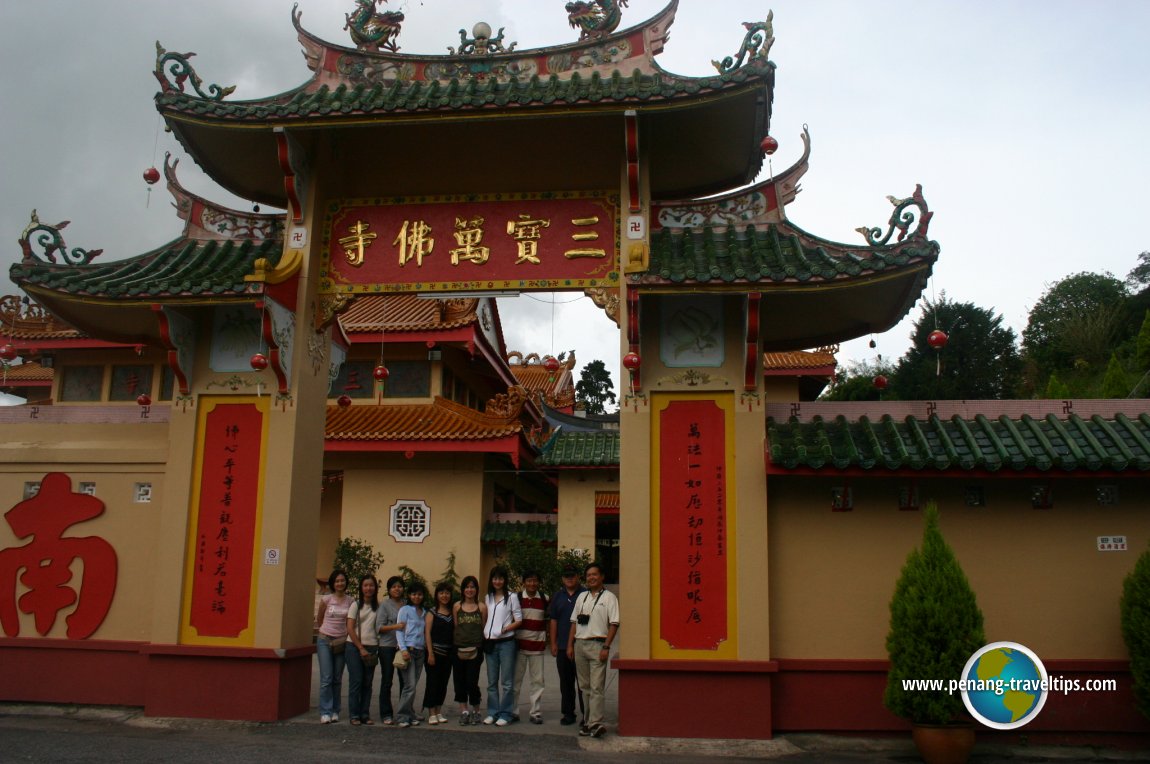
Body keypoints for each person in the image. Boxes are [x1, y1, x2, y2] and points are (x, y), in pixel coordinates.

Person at [567, 562, 619, 738]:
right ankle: (588, 722)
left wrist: (606, 646)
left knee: (597, 687)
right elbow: (573, 623)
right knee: (585, 687)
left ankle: (596, 723)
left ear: (602, 576)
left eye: (594, 574)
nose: (591, 578)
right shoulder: (581, 597)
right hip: (580, 645)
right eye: (588, 575)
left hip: (598, 645)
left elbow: (614, 624)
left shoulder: (609, 598)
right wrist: (570, 645)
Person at [482, 565, 522, 726]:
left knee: (506, 682)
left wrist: (505, 629)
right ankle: (493, 712)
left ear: (505, 580)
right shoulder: (488, 597)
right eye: (495, 578)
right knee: (491, 682)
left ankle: (505, 713)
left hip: (506, 643)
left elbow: (519, 620)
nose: (497, 581)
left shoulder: (511, 597)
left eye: (500, 578)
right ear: (491, 580)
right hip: (490, 643)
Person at [549, 564, 586, 726]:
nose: (569, 578)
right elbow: (553, 620)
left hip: (582, 644)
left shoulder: (585, 594)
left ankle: (587, 714)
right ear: (562, 578)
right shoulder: (558, 596)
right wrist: (553, 643)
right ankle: (568, 713)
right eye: (566, 576)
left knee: (584, 684)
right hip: (563, 646)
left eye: (572, 575)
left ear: (578, 577)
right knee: (566, 683)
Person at [314, 569, 352, 724]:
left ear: (346, 583)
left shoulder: (351, 601)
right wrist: (327, 632)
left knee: (337, 678)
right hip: (325, 640)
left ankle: (335, 710)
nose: (340, 583)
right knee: (326, 678)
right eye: (337, 581)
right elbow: (320, 618)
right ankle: (325, 711)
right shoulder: (326, 600)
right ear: (332, 583)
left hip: (342, 641)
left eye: (342, 580)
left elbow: (351, 621)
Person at [512, 570, 548, 724]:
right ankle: (513, 711)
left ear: (538, 582)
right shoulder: (517, 598)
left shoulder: (545, 599)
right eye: (529, 581)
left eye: (535, 580)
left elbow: (549, 620)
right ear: (524, 582)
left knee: (538, 682)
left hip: (537, 648)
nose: (532, 584)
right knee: (515, 681)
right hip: (519, 647)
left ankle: (535, 712)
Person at [346, 574, 380, 726]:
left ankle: (365, 714)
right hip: (354, 646)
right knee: (356, 681)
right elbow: (350, 628)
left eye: (371, 585)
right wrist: (360, 647)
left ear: (375, 588)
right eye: (365, 585)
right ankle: (354, 714)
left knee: (367, 682)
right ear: (361, 587)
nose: (368, 588)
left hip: (372, 647)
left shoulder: (379, 607)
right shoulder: (355, 605)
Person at [452, 575, 486, 725]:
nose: (469, 590)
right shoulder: (457, 606)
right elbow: (455, 626)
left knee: (472, 682)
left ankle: (476, 710)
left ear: (476, 589)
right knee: (459, 681)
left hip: (476, 649)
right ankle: (464, 711)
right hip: (458, 648)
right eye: (467, 587)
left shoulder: (482, 607)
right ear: (463, 590)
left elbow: (483, 627)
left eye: (472, 587)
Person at [394, 582, 427, 728]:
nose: (416, 597)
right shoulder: (405, 610)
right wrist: (403, 649)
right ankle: (402, 716)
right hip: (409, 650)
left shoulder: (424, 612)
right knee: (410, 685)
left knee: (414, 684)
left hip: (420, 651)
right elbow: (399, 630)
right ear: (409, 595)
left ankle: (410, 713)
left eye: (419, 594)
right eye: (414, 594)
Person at [422, 581, 455, 725]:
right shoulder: (432, 612)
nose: (444, 596)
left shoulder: (452, 612)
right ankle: (431, 712)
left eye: (447, 593)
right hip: (434, 652)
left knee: (443, 683)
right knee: (432, 683)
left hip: (449, 653)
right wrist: (430, 653)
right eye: (441, 593)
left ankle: (439, 710)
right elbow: (427, 633)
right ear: (437, 595)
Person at [376, 575, 406, 724]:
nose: (397, 589)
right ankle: (386, 713)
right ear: (389, 589)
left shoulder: (407, 604)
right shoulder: (385, 605)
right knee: (387, 680)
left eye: (399, 586)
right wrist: (396, 626)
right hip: (387, 647)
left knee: (404, 681)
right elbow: (379, 627)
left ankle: (403, 712)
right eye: (394, 586)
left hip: (403, 648)